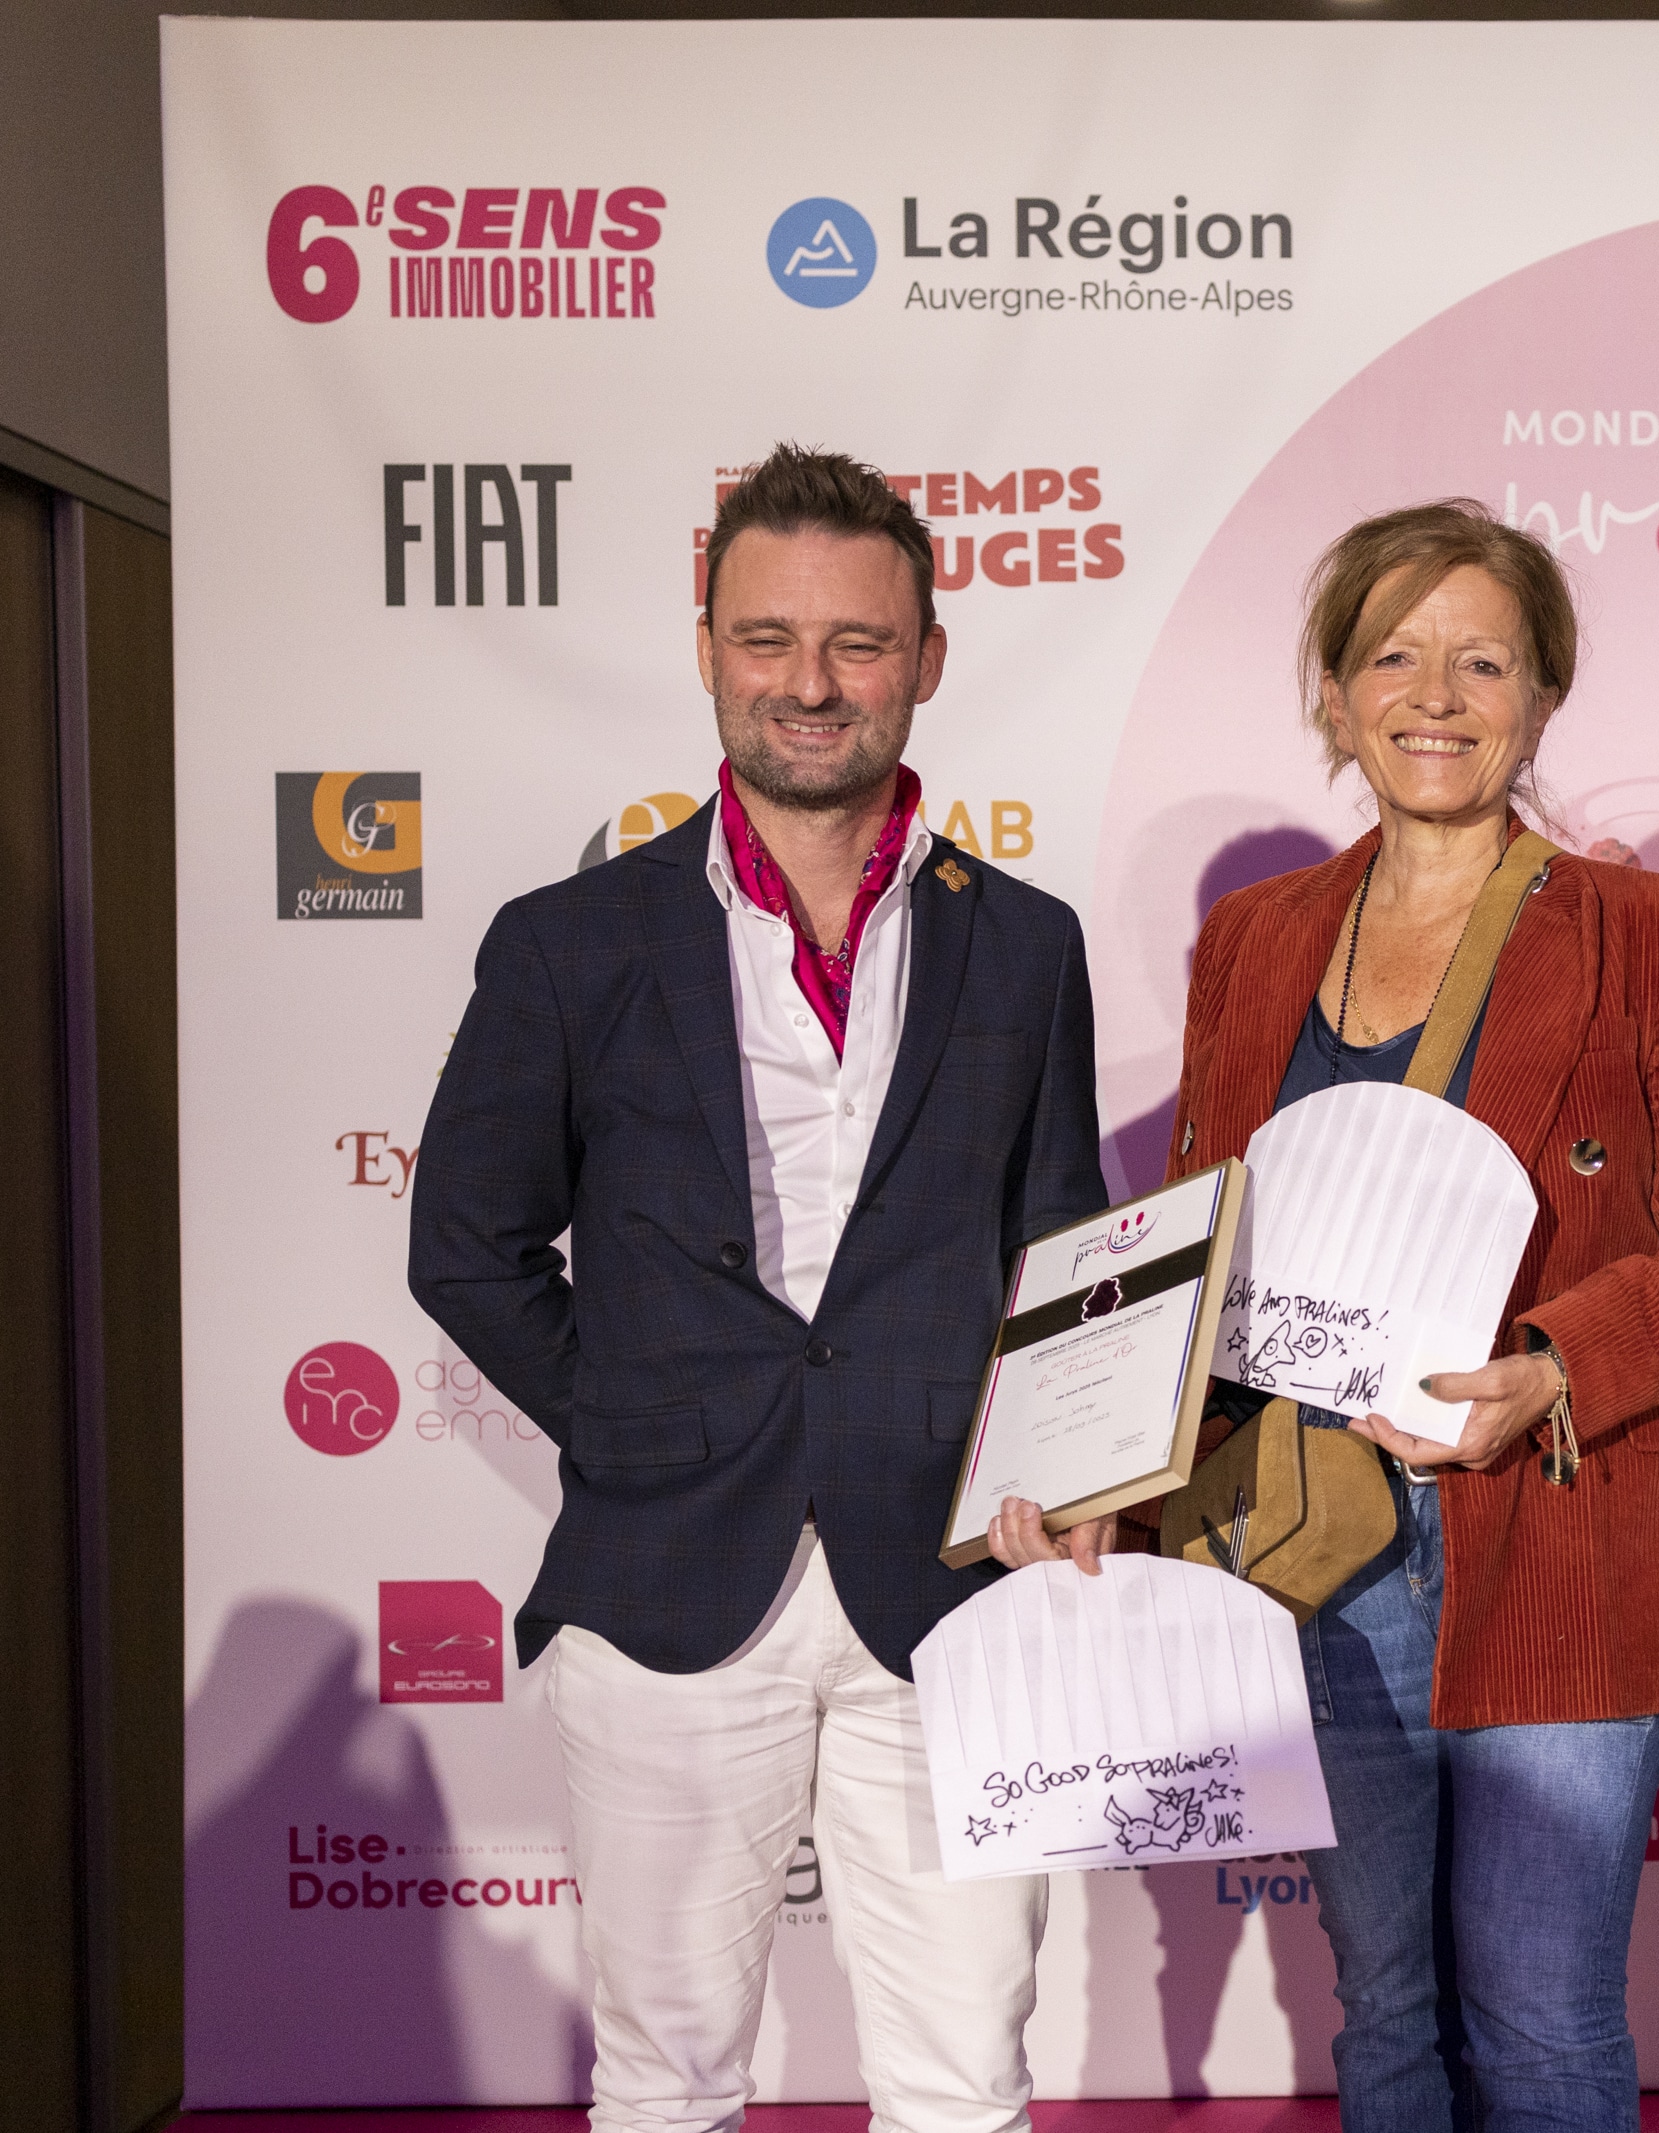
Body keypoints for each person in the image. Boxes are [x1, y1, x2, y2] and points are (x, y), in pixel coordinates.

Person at [993, 499, 1659, 2132]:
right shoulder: (1256, 939)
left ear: (1543, 695)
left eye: (1482, 661)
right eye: (1394, 658)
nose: (1437, 696)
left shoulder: (1645, 933)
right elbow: (1193, 1246)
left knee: (1544, 2012)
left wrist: (1555, 1365)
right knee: (1388, 2007)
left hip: (1559, 1523)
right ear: (1336, 697)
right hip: (1312, 1539)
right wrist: (1096, 1471)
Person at [410, 444, 1105, 2133]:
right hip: (664, 1576)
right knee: (666, 2080)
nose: (810, 682)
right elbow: (466, 1245)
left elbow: (1063, 1244)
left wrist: (1070, 1463)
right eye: (767, 637)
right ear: (708, 646)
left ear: (926, 659)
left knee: (966, 2082)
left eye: (858, 642)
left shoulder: (1027, 942)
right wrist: (635, 1420)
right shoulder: (569, 940)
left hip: (951, 1580)